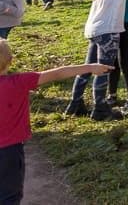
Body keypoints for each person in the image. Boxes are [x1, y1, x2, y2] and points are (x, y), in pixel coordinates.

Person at [0, 39, 112, 205]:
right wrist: (89, 67)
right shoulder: (19, 82)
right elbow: (57, 73)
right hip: (10, 152)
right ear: (10, 61)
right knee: (9, 196)